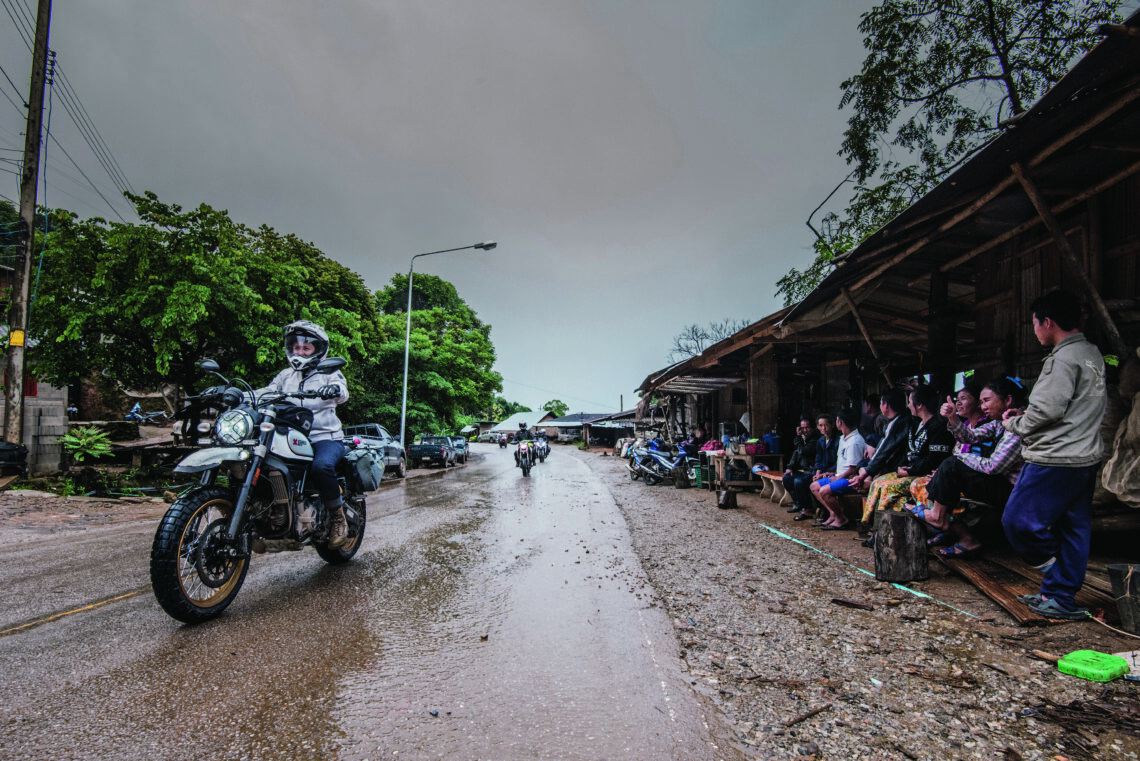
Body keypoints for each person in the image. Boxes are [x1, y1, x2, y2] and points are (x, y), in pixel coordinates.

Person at [1001, 290, 1107, 620]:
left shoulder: (1061, 359)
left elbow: (1046, 411)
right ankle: (1059, 596)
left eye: (1035, 324)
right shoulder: (1092, 354)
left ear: (1048, 322)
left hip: (1054, 459)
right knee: (1073, 528)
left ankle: (1056, 574)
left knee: (1018, 522)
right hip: (1084, 457)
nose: (1034, 331)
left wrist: (1014, 422)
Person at [906, 377, 1025, 557]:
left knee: (952, 465)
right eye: (982, 401)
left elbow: (993, 466)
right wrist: (953, 418)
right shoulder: (999, 423)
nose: (983, 406)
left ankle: (939, 518)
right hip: (1000, 482)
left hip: (1015, 491)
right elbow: (970, 436)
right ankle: (949, 528)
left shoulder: (1017, 427)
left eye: (986, 401)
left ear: (1008, 400)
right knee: (949, 469)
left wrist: (960, 458)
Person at [258, 320, 350, 547]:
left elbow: (343, 392)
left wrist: (334, 390)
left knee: (321, 466)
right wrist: (237, 394)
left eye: (305, 348)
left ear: (318, 350)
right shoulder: (285, 376)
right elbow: (265, 392)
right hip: (289, 436)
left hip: (324, 438)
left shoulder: (329, 373)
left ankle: (339, 518)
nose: (299, 352)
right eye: (296, 347)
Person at [859, 385, 954, 527]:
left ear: (920, 405)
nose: (908, 406)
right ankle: (870, 525)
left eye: (910, 402)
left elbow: (933, 460)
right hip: (910, 470)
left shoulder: (938, 426)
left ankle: (883, 528)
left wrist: (910, 471)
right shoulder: (915, 423)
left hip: (923, 474)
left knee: (887, 488)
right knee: (878, 482)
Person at [808, 409, 866, 529]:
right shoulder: (844, 438)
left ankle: (841, 519)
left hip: (851, 479)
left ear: (840, 423)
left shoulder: (854, 441)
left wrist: (837, 478)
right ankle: (834, 514)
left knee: (824, 490)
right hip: (840, 476)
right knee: (814, 486)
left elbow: (852, 470)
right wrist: (832, 474)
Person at [848, 388, 912, 492]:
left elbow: (883, 450)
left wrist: (864, 474)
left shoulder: (897, 423)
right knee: (863, 464)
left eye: (881, 403)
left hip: (898, 466)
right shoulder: (903, 419)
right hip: (896, 463)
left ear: (886, 405)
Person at [782, 417, 819, 515]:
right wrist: (790, 467)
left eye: (807, 428)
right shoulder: (803, 440)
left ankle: (807, 508)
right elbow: (796, 453)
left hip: (813, 471)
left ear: (812, 428)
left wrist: (798, 437)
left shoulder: (815, 439)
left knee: (799, 481)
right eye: (802, 428)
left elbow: (803, 451)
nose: (805, 430)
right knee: (786, 478)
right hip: (804, 470)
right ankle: (798, 504)